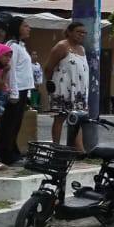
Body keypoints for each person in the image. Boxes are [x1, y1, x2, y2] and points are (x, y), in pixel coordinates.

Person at [43, 22, 91, 150]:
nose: (81, 35)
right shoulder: (61, 46)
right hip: (62, 90)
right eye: (78, 31)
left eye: (84, 32)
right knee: (60, 118)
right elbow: (48, 68)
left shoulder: (82, 49)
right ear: (69, 32)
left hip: (78, 91)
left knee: (77, 118)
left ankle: (80, 149)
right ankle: (56, 147)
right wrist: (51, 85)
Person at [0, 16, 35, 164]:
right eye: (25, 26)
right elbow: (10, 71)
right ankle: (6, 153)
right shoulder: (12, 46)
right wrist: (13, 92)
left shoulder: (21, 46)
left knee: (16, 123)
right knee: (9, 123)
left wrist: (28, 92)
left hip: (23, 89)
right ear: (16, 28)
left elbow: (25, 70)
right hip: (15, 90)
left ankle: (13, 150)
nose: (28, 28)